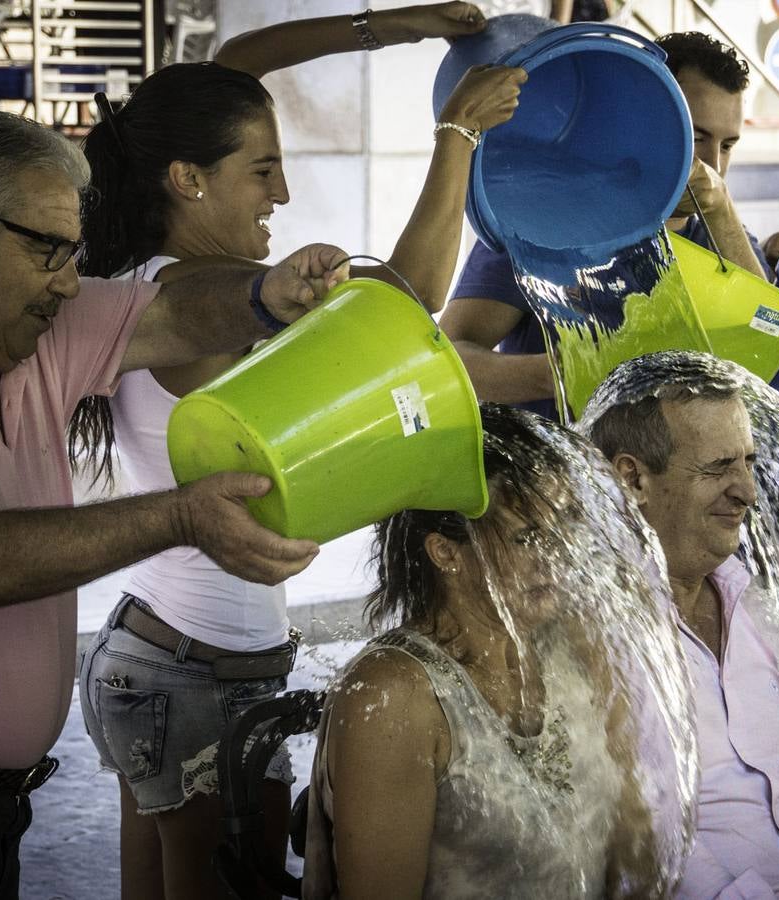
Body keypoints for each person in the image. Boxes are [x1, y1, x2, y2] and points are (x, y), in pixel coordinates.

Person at [73, 13, 525, 898]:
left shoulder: (138, 270)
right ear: (187, 179)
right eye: (263, 169)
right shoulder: (191, 297)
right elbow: (406, 309)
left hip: (155, 656)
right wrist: (457, 135)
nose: (281, 193)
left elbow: (237, 64)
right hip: (199, 676)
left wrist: (395, 25)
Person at [0, 107, 343, 896]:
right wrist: (181, 516)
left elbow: (173, 314)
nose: (67, 279)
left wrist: (266, 293)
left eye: (74, 252)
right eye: (46, 250)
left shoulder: (24, 326)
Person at [304, 403, 695, 899]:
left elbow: (637, 838)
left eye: (565, 528)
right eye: (530, 537)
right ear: (445, 553)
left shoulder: (577, 643)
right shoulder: (394, 699)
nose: (557, 555)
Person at [580, 351, 779, 899]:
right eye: (717, 469)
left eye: (749, 463)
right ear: (632, 479)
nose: (748, 492)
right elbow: (647, 847)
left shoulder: (756, 604)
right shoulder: (595, 630)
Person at [440, 31, 771, 420]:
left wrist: (723, 211)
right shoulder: (544, 221)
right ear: (651, 122)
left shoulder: (719, 233)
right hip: (561, 465)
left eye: (728, 145)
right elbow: (450, 356)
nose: (714, 165)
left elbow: (769, 338)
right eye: (697, 137)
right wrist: (566, 372)